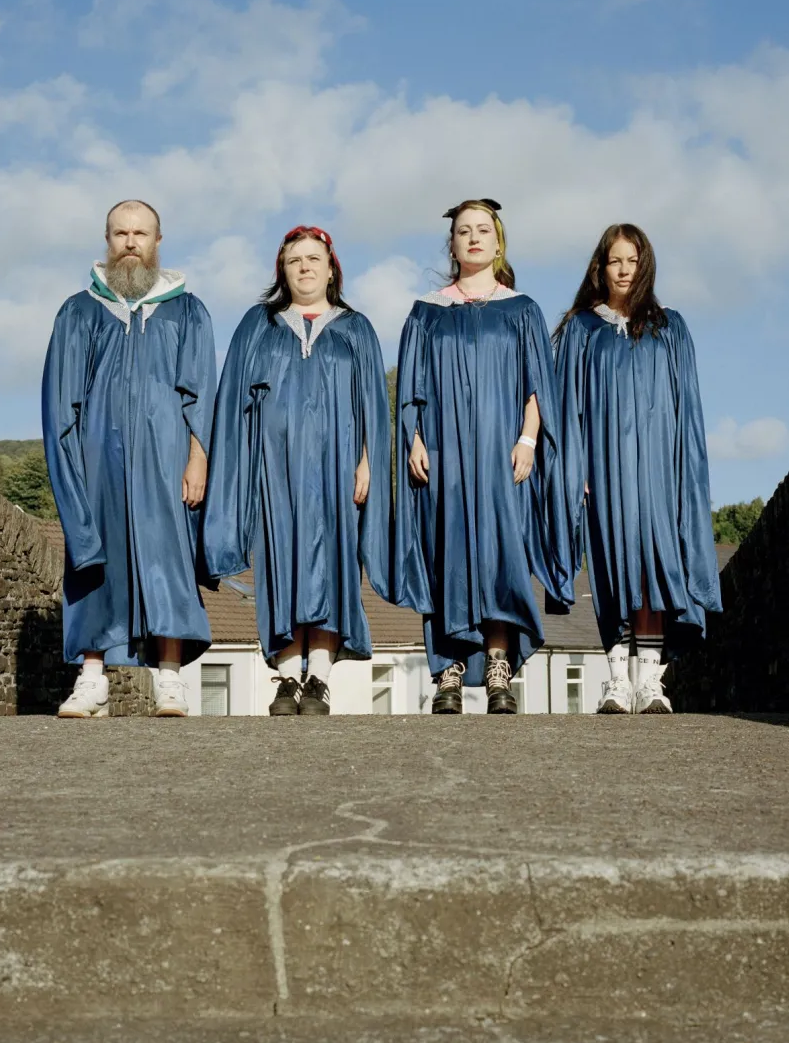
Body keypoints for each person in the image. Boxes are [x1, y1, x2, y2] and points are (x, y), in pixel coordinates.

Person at [393, 199, 573, 714]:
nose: (473, 238)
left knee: (501, 555)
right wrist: (414, 439)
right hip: (444, 454)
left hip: (502, 454)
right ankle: (448, 671)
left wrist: (528, 440)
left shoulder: (522, 310)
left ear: (498, 243)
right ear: (452, 245)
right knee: (445, 553)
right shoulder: (427, 311)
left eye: (482, 230)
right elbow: (410, 386)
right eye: (463, 231)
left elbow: (538, 385)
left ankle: (498, 666)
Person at [204, 226, 390, 716]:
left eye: (313, 259)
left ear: (331, 270)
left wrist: (368, 461)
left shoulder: (356, 328)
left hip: (337, 467)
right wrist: (240, 466)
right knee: (279, 562)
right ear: (282, 271)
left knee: (332, 564)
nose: (305, 267)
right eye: (294, 260)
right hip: (274, 467)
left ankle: (320, 677)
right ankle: (288, 677)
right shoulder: (258, 325)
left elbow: (374, 403)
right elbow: (233, 401)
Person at [42, 200, 216, 719]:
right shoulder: (80, 310)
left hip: (167, 457)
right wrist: (72, 468)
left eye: (141, 233)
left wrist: (198, 458)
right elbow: (61, 401)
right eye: (121, 233)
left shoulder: (187, 310)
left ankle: (169, 678)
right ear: (108, 240)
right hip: (98, 458)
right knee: (94, 558)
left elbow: (201, 392)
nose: (131, 243)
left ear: (158, 241)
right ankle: (92, 679)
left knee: (169, 560)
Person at [553, 223, 721, 714]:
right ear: (600, 268)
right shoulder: (583, 329)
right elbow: (568, 408)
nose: (624, 270)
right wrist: (576, 469)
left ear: (645, 264)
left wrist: (683, 467)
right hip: (604, 470)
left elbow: (687, 405)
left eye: (633, 260)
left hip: (658, 469)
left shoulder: (670, 327)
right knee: (611, 566)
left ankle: (649, 680)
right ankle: (616, 681)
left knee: (653, 566)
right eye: (615, 261)